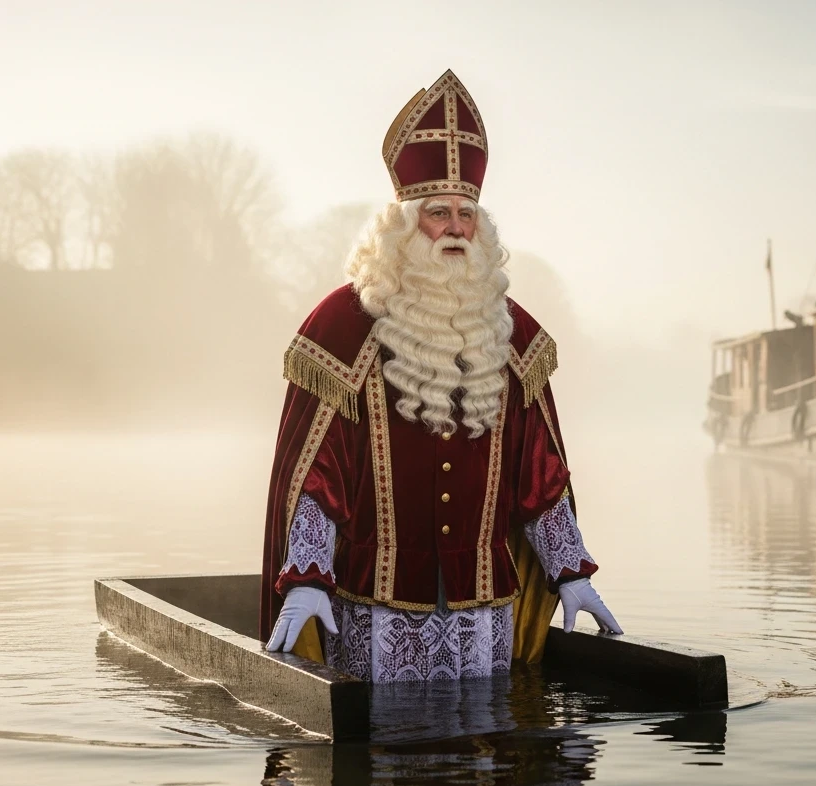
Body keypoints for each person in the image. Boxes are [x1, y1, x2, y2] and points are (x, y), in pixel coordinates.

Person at [258, 70, 621, 681]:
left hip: (486, 623)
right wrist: (306, 579)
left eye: (466, 214)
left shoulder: (511, 338)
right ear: (403, 226)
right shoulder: (345, 328)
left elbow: (540, 477)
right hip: (371, 615)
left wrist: (570, 571)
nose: (455, 227)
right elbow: (317, 480)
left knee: (485, 751)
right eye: (437, 213)